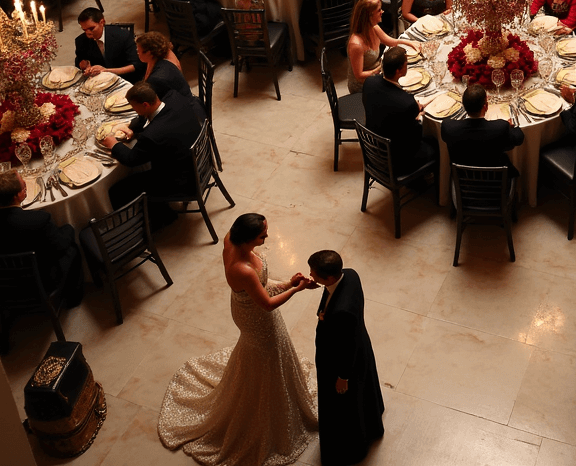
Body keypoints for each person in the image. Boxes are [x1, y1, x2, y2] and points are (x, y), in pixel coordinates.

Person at [158, 213, 318, 465]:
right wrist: (295, 290)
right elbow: (266, 304)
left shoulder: (230, 239)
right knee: (267, 353)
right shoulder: (242, 269)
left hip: (244, 305)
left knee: (262, 353)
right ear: (247, 238)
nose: (267, 236)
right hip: (255, 316)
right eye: (262, 235)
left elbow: (261, 284)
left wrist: (288, 282)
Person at [307, 249, 384, 466]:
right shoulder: (349, 274)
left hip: (340, 362)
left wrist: (343, 377)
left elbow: (346, 348)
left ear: (329, 277)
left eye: (314, 274)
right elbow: (331, 295)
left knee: (344, 406)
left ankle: (352, 447)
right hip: (360, 343)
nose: (311, 275)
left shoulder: (342, 313)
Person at [0, 170, 83, 308]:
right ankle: (73, 299)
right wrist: (69, 229)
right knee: (71, 248)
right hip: (40, 282)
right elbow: (60, 246)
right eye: (23, 186)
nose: (26, 185)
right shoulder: (39, 220)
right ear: (17, 196)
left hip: (3, 284)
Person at [102, 83, 203, 226]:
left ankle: (155, 222)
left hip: (181, 180)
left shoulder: (152, 135)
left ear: (145, 105)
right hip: (195, 162)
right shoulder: (174, 97)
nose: (133, 110)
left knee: (117, 191)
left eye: (134, 107)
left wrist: (114, 145)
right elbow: (159, 126)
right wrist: (136, 131)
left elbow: (131, 159)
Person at [360, 46, 437, 171]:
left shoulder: (369, 82)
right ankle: (421, 183)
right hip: (397, 160)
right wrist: (419, 116)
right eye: (406, 64)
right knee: (435, 143)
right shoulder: (406, 103)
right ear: (398, 71)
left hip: (374, 148)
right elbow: (416, 137)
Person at [441, 83, 524, 176]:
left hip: (463, 178)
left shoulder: (448, 127)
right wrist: (512, 126)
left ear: (464, 106)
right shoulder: (500, 128)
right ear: (486, 106)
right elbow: (519, 138)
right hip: (496, 180)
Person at [346, 0, 417, 93]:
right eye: (379, 10)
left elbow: (391, 42)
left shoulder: (374, 27)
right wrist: (382, 68)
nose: (382, 12)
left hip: (377, 73)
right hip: (363, 86)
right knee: (403, 87)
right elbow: (359, 76)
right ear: (369, 16)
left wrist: (411, 43)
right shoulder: (356, 45)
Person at [75, 8, 142, 82]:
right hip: (99, 80)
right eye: (84, 30)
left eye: (91, 28)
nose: (88, 33)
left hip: (123, 78)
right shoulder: (81, 40)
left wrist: (106, 71)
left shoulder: (123, 35)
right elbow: (79, 60)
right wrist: (83, 65)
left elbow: (136, 65)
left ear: (102, 22)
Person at [135, 30, 191, 100]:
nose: (137, 53)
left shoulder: (158, 78)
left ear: (149, 53)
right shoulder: (160, 53)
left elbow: (150, 101)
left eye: (138, 51)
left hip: (180, 104)